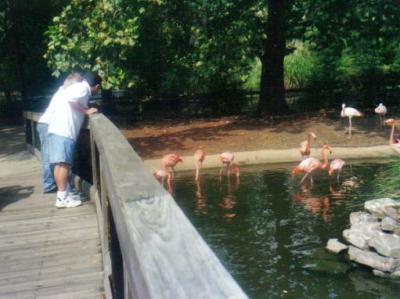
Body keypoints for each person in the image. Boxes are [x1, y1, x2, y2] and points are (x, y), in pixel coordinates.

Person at [48, 72, 101, 208]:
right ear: (96, 86)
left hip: (57, 129)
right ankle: (61, 198)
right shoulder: (83, 87)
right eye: (98, 88)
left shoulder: (75, 87)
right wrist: (86, 111)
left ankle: (63, 194)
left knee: (59, 164)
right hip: (65, 130)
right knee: (64, 164)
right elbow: (71, 100)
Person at [37, 73, 83, 193]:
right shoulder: (66, 93)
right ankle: (51, 185)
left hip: (45, 123)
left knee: (51, 158)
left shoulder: (61, 91)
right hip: (48, 124)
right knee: (53, 159)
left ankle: (53, 184)